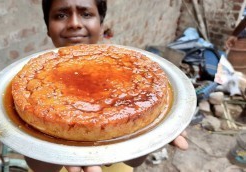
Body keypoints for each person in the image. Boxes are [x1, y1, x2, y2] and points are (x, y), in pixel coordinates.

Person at [25, 0, 189, 171]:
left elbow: (135, 162)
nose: (74, 23)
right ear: (48, 27)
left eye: (86, 14)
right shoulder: (34, 78)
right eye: (61, 15)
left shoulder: (130, 69)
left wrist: (147, 134)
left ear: (101, 24)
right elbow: (39, 168)